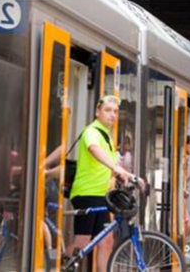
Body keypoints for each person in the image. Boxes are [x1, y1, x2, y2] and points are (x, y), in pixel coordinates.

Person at [67, 95, 133, 272]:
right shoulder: (91, 132)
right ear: (98, 112)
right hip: (87, 194)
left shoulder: (108, 137)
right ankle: (56, 267)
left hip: (101, 196)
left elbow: (110, 166)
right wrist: (116, 168)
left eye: (115, 112)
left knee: (106, 241)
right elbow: (94, 150)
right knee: (82, 243)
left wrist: (128, 175)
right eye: (108, 110)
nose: (112, 115)